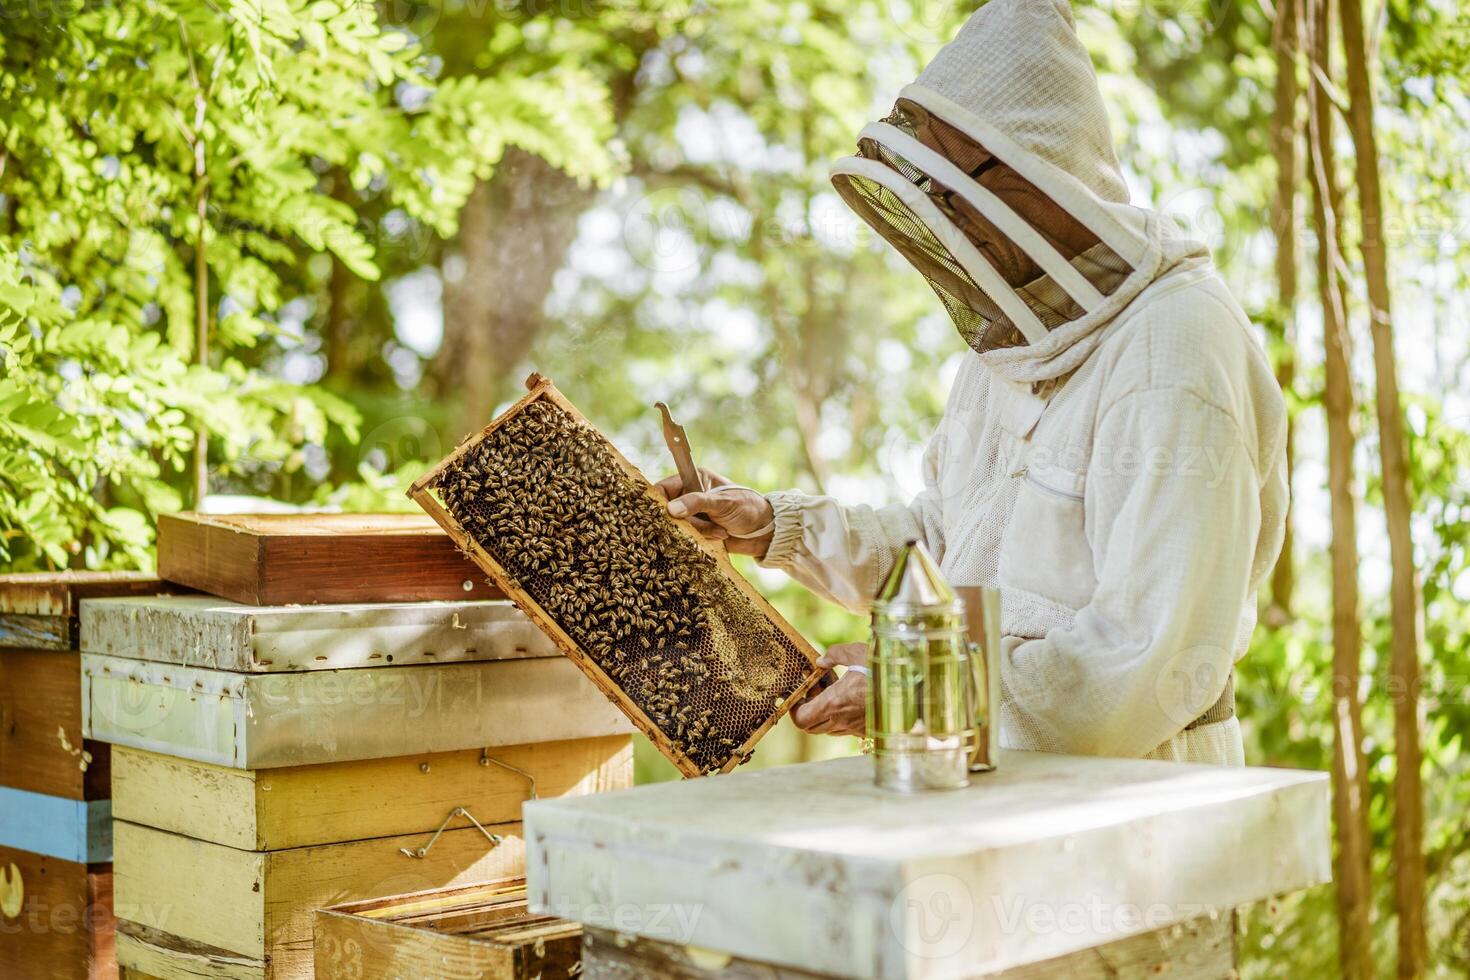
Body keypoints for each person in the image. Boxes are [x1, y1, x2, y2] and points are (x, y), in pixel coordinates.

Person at [659, 0, 1286, 766]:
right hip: (983, 777)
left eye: (962, 179)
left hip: (1135, 800)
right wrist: (772, 525)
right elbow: (949, 548)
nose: (948, 211)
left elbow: (1143, 660)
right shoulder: (1016, 345)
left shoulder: (1173, 351)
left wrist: (911, 692)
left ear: (1040, 163)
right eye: (936, 184)